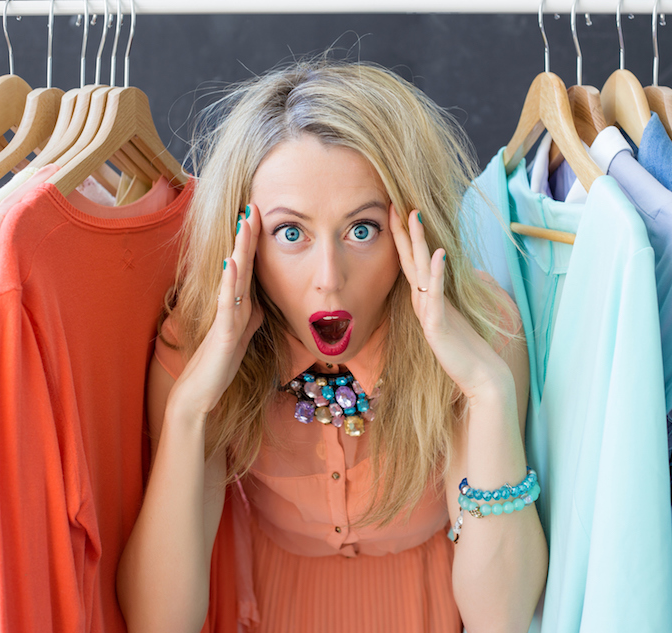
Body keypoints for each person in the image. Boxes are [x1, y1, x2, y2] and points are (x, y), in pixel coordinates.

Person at [116, 59, 547, 633]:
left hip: (433, 606)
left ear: (410, 231)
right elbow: (157, 624)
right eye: (290, 233)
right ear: (243, 240)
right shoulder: (195, 342)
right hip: (262, 605)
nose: (328, 277)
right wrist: (190, 409)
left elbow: (502, 619)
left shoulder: (481, 329)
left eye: (361, 230)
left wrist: (489, 391)